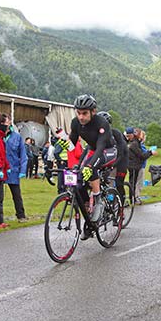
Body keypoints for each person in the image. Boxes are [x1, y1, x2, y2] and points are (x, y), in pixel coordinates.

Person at [55, 94, 117, 240]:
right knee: (79, 177)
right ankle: (87, 213)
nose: (81, 117)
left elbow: (101, 147)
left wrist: (89, 166)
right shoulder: (75, 123)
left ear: (93, 111)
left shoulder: (102, 123)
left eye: (85, 113)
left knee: (90, 168)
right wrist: (64, 143)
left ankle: (98, 200)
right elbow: (72, 144)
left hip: (107, 151)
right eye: (79, 113)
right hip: (92, 150)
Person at [98, 111, 130, 206]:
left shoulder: (116, 134)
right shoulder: (99, 134)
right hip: (109, 159)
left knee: (119, 183)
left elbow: (121, 152)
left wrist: (113, 165)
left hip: (121, 160)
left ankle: (121, 205)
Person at [4, 118, 28, 223]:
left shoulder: (17, 137)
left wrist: (22, 170)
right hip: (1, 169)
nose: (7, 124)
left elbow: (23, 155)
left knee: (16, 195)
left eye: (8, 122)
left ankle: (21, 215)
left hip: (13, 169)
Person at [128, 127, 156, 205]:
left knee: (134, 182)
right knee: (133, 183)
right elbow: (141, 155)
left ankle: (133, 198)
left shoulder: (136, 143)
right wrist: (150, 152)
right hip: (133, 166)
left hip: (134, 165)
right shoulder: (134, 144)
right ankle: (133, 199)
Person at [135, 129, 149, 204]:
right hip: (140, 166)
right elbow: (143, 155)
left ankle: (135, 196)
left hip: (139, 166)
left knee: (137, 182)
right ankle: (136, 197)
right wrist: (150, 152)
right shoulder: (141, 146)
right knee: (139, 183)